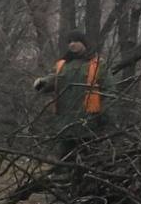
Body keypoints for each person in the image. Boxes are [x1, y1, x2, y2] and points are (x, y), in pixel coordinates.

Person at [33, 30, 106, 161]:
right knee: (65, 157)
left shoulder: (97, 63)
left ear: (83, 43)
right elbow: (55, 79)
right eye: (70, 42)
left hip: (88, 120)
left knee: (87, 157)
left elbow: (109, 90)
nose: (72, 44)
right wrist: (42, 83)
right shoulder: (63, 64)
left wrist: (107, 115)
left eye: (76, 41)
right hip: (65, 120)